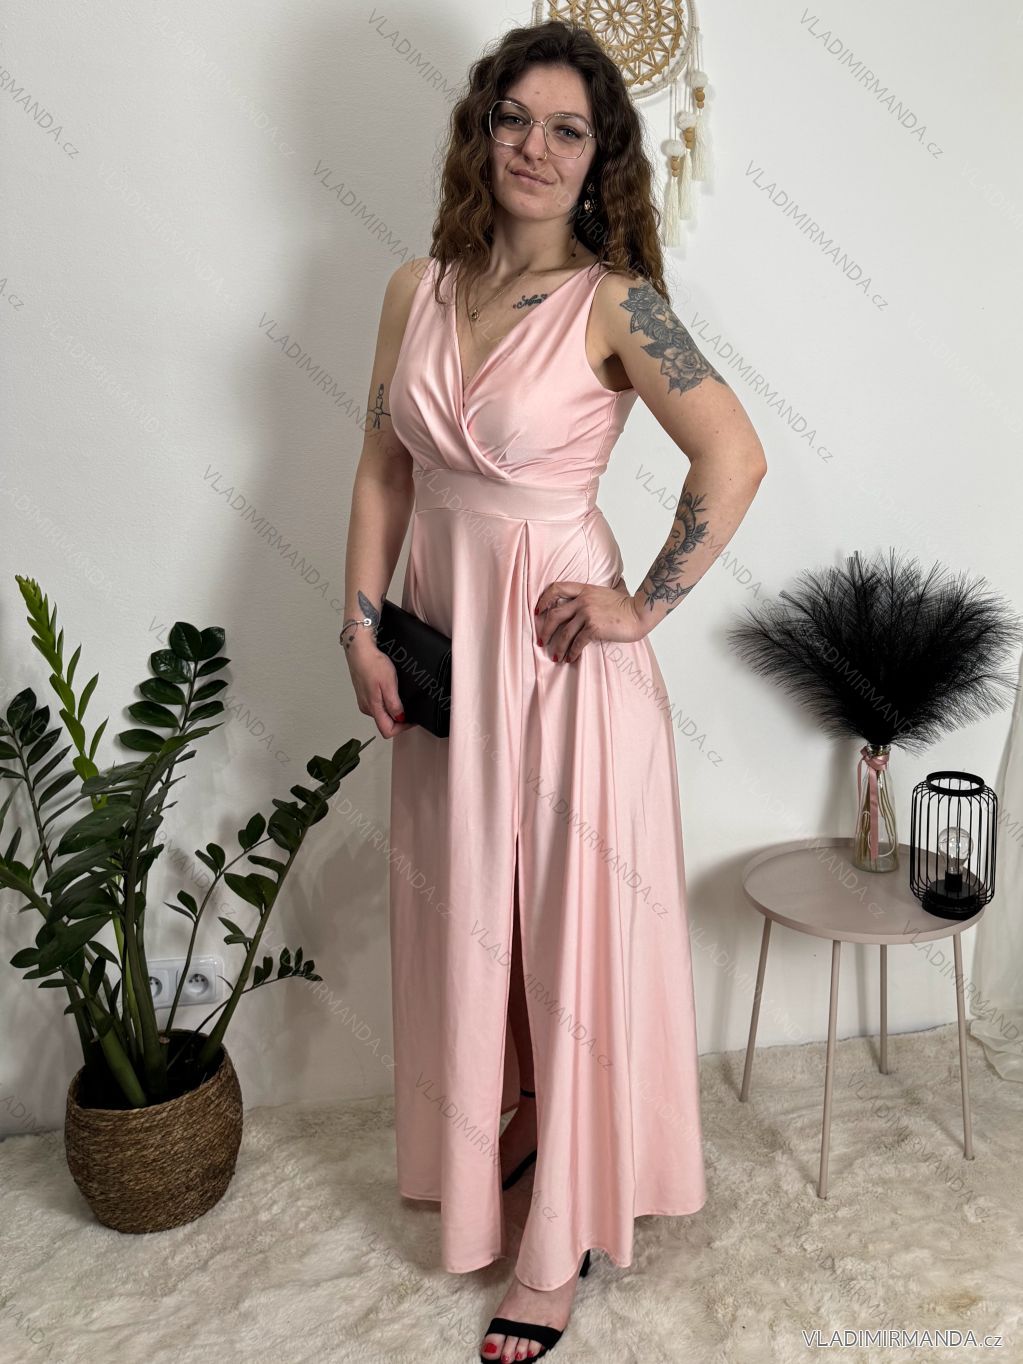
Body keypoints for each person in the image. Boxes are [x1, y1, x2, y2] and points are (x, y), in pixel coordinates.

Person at [342, 19, 767, 1362]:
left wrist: (642, 602)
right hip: (440, 650)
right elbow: (384, 466)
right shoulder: (414, 288)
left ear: (601, 159)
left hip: (563, 664)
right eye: (513, 118)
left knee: (564, 932)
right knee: (470, 912)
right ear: (482, 132)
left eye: (566, 129)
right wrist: (360, 623)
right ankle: (508, 1145)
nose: (534, 145)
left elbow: (735, 458)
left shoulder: (618, 304)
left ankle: (556, 1248)